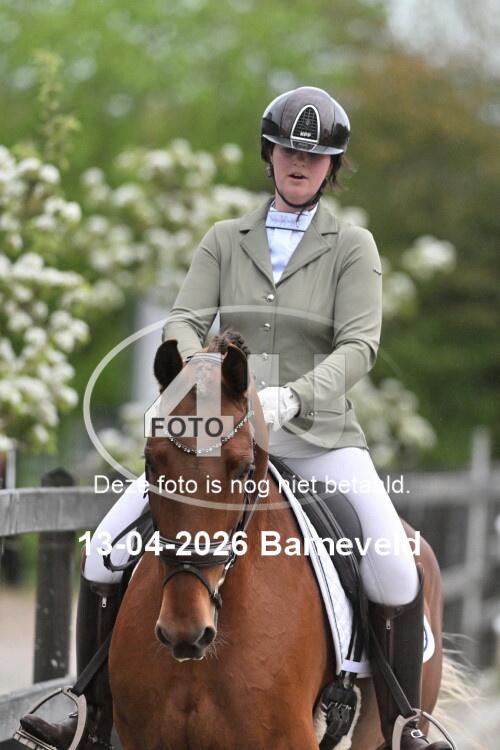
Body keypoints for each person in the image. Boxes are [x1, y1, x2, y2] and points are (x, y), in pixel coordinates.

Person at [17, 86, 452, 750]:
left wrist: (294, 396)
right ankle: (88, 712)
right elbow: (184, 320)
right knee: (104, 548)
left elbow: (359, 345)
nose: (299, 163)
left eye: (314, 155)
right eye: (288, 151)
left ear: (332, 167)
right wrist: (197, 383)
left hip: (318, 438)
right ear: (268, 155)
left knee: (394, 566)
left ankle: (403, 726)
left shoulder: (353, 246)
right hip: (217, 439)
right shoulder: (225, 239)